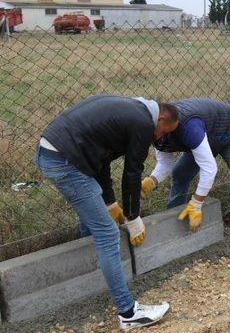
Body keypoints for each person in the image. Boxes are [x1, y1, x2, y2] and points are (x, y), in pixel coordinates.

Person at [35, 95, 179, 331]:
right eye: (164, 131)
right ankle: (129, 313)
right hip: (64, 161)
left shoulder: (131, 111)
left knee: (93, 218)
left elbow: (101, 160)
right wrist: (133, 218)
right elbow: (132, 174)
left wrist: (110, 203)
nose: (161, 137)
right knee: (108, 234)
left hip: (52, 152)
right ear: (161, 118)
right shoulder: (143, 124)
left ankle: (92, 278)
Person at [140, 98, 230, 261]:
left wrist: (196, 203)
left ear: (162, 122)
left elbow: (209, 169)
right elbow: (165, 162)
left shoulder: (187, 127)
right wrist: (152, 180)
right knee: (180, 174)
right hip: (206, 139)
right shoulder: (157, 131)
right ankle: (172, 227)